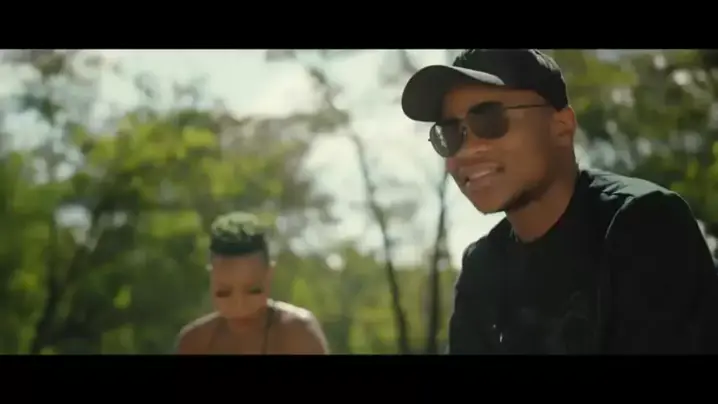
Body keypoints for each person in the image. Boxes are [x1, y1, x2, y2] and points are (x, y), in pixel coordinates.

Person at [401, 49, 718, 354]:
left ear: (562, 127)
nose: (467, 150)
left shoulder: (643, 225)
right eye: (449, 133)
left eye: (489, 119)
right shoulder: (482, 268)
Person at [175, 212, 329, 355]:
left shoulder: (298, 334)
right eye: (224, 292)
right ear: (211, 278)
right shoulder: (195, 342)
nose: (239, 306)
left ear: (269, 275)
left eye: (253, 290)